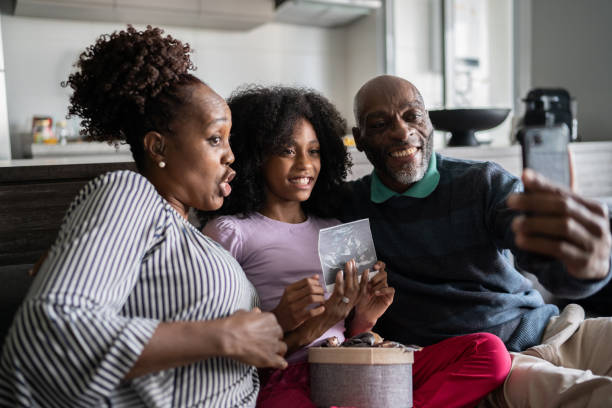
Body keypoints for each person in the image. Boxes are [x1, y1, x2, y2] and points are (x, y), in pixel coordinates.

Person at [0, 26, 287, 407]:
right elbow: (51, 336)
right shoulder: (129, 195)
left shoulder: (191, 233)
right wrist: (225, 335)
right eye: (215, 138)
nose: (230, 155)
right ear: (158, 146)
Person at [200, 85, 511, 408]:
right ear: (256, 156)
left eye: (314, 151)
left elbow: (350, 329)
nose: (305, 165)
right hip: (289, 374)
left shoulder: (336, 228)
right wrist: (313, 318)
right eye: (288, 151)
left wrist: (365, 315)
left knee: (488, 352)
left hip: (356, 358)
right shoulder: (231, 232)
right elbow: (230, 345)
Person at [340, 74, 612, 407]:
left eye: (412, 116)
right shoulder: (349, 208)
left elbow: (546, 260)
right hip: (485, 366)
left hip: (554, 329)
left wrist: (589, 268)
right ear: (360, 139)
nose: (401, 131)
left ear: (428, 121)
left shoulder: (482, 182)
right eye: (380, 124)